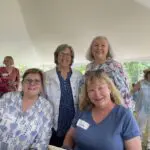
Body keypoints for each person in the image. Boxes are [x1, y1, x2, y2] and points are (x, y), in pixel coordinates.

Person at [63, 70, 141, 150]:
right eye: (91, 90)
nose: (97, 94)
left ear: (109, 89)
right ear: (87, 94)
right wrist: (66, 147)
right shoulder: (83, 111)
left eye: (100, 88)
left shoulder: (124, 115)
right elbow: (70, 135)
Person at [0, 68, 53, 150]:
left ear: (42, 85)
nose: (32, 83)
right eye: (28, 80)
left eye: (37, 81)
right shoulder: (8, 98)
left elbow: (43, 140)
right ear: (22, 83)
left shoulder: (46, 107)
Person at [44, 44, 83, 147]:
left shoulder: (79, 75)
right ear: (56, 56)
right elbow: (42, 100)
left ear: (71, 58)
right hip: (54, 124)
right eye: (62, 54)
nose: (65, 57)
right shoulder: (46, 75)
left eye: (68, 55)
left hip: (74, 122)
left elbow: (83, 99)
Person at [85, 36, 132, 108]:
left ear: (108, 49)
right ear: (91, 49)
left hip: (113, 108)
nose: (99, 48)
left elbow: (123, 91)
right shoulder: (89, 67)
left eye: (103, 45)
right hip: (95, 108)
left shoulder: (115, 66)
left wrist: (123, 111)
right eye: (96, 45)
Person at [132, 68, 150, 149]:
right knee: (140, 127)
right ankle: (139, 143)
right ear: (147, 74)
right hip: (142, 108)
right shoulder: (141, 83)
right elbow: (132, 91)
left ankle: (148, 143)